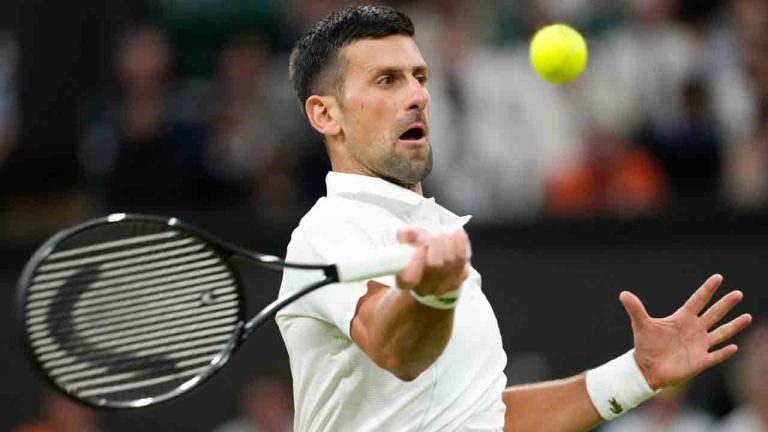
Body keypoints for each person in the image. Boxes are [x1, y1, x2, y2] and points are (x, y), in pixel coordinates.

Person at [275, 5, 752, 431]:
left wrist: (636, 375)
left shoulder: (437, 226)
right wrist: (432, 295)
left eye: (419, 76)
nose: (417, 95)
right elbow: (396, 349)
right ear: (325, 115)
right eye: (387, 80)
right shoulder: (329, 230)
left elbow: (486, 419)